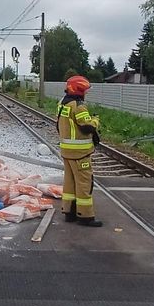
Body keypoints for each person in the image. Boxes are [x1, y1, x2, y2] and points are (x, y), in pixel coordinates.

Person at [57, 75, 103, 227]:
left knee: (69, 183)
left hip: (67, 151)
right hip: (80, 154)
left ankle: (69, 212)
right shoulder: (78, 106)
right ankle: (85, 216)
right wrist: (95, 120)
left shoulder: (63, 103)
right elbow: (87, 127)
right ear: (79, 90)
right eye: (85, 90)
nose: (86, 93)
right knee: (84, 183)